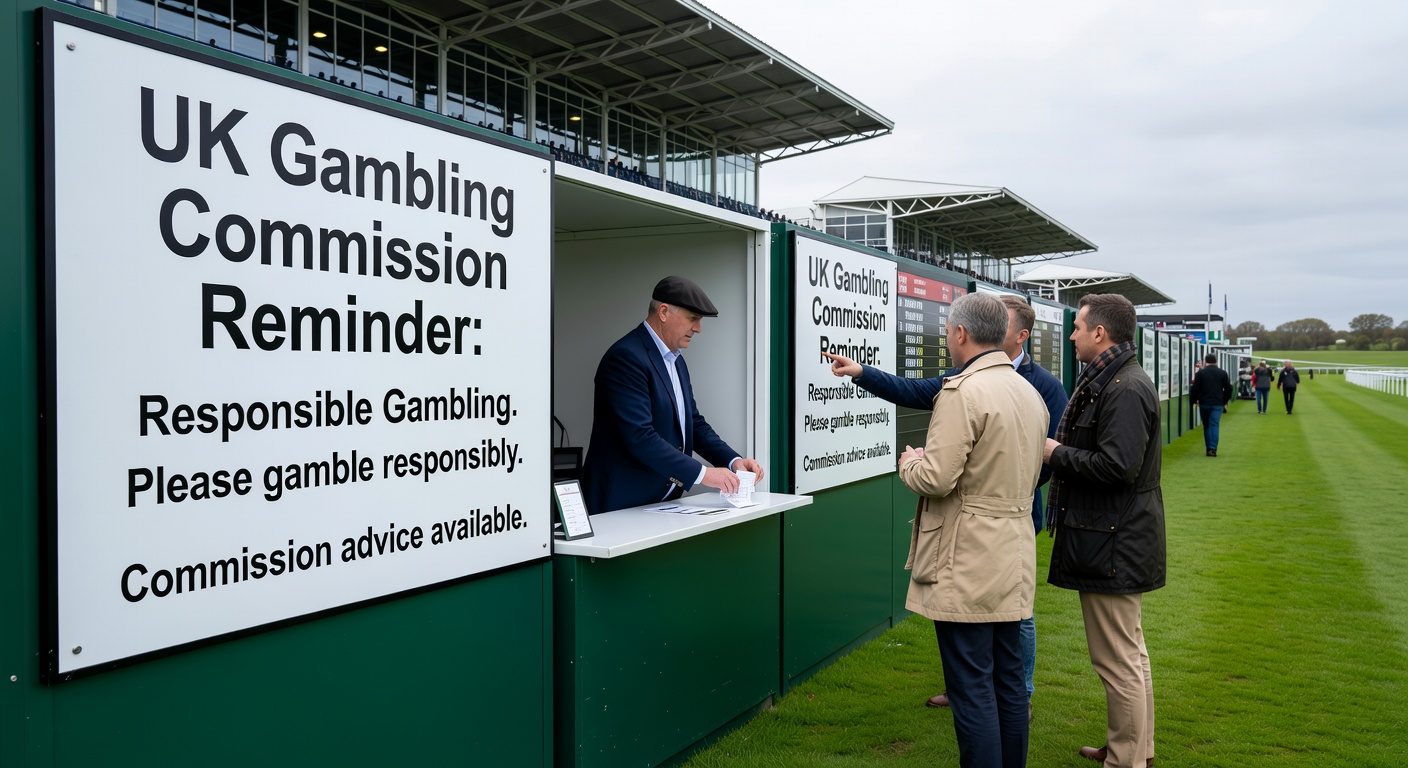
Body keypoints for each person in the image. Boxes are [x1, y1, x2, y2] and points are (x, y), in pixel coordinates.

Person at [825, 294, 1068, 718]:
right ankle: (1005, 700)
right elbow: (913, 389)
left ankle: (1013, 696)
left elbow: (1044, 461)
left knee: (999, 649)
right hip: (997, 526)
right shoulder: (999, 386)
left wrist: (912, 463)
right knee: (989, 666)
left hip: (988, 530)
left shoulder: (1031, 386)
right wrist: (861, 372)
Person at [895, 292, 1048, 768]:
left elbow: (937, 478)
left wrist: (909, 463)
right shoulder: (1029, 391)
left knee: (971, 686)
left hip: (968, 558)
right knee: (1007, 682)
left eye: (947, 331)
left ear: (960, 334)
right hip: (1015, 553)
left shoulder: (963, 392)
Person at [1043, 293, 1165, 768]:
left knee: (1117, 661)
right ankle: (1133, 750)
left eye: (1077, 328)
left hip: (1115, 541)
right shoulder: (1116, 379)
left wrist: (1054, 453)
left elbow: (1117, 467)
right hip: (1116, 537)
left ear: (1100, 333)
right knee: (1129, 655)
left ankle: (1126, 759)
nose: (1071, 336)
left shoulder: (1125, 387)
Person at [580, 276, 764, 515]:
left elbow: (692, 423)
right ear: (664, 312)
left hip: (657, 504)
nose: (698, 328)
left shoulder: (676, 360)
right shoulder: (626, 358)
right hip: (619, 504)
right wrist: (704, 474)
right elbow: (640, 437)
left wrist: (732, 461)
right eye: (692, 319)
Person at [1189, 353, 1233, 456]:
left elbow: (1195, 389)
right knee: (1215, 424)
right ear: (1215, 361)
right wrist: (1224, 401)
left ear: (1205, 361)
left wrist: (1194, 401)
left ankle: (1208, 448)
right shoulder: (1222, 373)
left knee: (1207, 425)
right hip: (1217, 403)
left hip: (1204, 403)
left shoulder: (1201, 373)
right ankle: (1213, 448)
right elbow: (1228, 388)